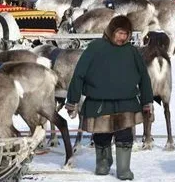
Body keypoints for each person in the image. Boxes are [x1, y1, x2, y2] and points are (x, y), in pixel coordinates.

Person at [65, 15, 153, 180]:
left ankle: (123, 169)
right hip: (99, 102)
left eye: (126, 34)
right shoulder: (95, 47)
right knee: (102, 135)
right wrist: (72, 100)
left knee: (125, 136)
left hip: (126, 102)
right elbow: (79, 75)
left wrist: (147, 101)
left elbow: (144, 77)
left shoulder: (132, 51)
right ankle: (103, 164)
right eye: (120, 33)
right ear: (112, 31)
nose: (123, 37)